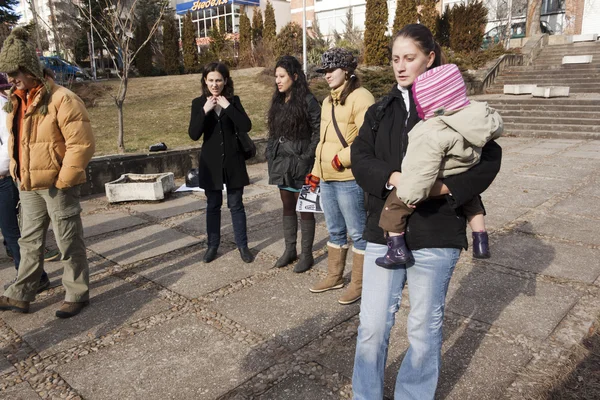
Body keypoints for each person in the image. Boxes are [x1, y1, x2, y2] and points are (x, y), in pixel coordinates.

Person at [350, 24, 502, 399]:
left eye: (410, 58)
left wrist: (446, 187)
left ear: (430, 57)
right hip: (383, 231)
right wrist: (393, 177)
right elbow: (360, 157)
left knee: (423, 328)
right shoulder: (379, 111)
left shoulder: (455, 105)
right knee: (372, 326)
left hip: (437, 229)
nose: (401, 67)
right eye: (395, 59)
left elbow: (491, 157)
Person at [0, 27, 95, 318]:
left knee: (68, 239)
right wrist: (18, 174)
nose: (10, 79)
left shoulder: (62, 99)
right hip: (28, 184)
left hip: (57, 185)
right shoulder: (16, 100)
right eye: (7, 74)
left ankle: (77, 292)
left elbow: (81, 144)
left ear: (30, 68)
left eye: (15, 73)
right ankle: (21, 293)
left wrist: (64, 179)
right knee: (28, 241)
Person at [376, 63, 502, 268]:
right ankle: (481, 240)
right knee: (471, 201)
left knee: (394, 207)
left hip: (440, 173)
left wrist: (409, 193)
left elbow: (423, 167)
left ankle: (396, 248)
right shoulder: (475, 116)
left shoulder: (432, 131)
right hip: (465, 166)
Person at [307, 48, 374, 305]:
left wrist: (342, 158)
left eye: (331, 69)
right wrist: (315, 173)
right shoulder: (327, 101)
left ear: (346, 70)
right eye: (324, 71)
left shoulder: (361, 97)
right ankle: (334, 276)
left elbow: (369, 137)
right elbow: (323, 141)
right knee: (334, 230)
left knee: (358, 232)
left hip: (348, 178)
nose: (326, 75)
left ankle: (359, 283)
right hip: (326, 177)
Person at [189, 62, 254, 264]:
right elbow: (193, 134)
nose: (215, 84)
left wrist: (227, 106)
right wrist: (205, 110)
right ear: (205, 81)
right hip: (211, 163)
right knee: (213, 205)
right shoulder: (198, 103)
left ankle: (243, 246)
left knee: (236, 205)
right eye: (211, 80)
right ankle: (212, 246)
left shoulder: (234, 101)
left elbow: (246, 125)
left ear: (225, 81)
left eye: (218, 80)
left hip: (233, 161)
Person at [0, 73, 57, 292]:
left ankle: (32, 278)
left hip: (6, 179)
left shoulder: (3, 105)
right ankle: (27, 278)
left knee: (14, 233)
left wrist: (6, 170)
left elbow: (11, 144)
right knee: (17, 234)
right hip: (12, 176)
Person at [266, 55, 320, 273]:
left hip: (306, 165)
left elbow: (319, 130)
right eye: (276, 77)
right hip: (283, 165)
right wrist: (272, 154)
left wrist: (307, 156)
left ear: (294, 77)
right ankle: (290, 250)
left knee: (306, 209)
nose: (278, 81)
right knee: (287, 206)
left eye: (282, 76)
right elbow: (273, 132)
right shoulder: (278, 101)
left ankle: (307, 255)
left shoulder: (308, 100)